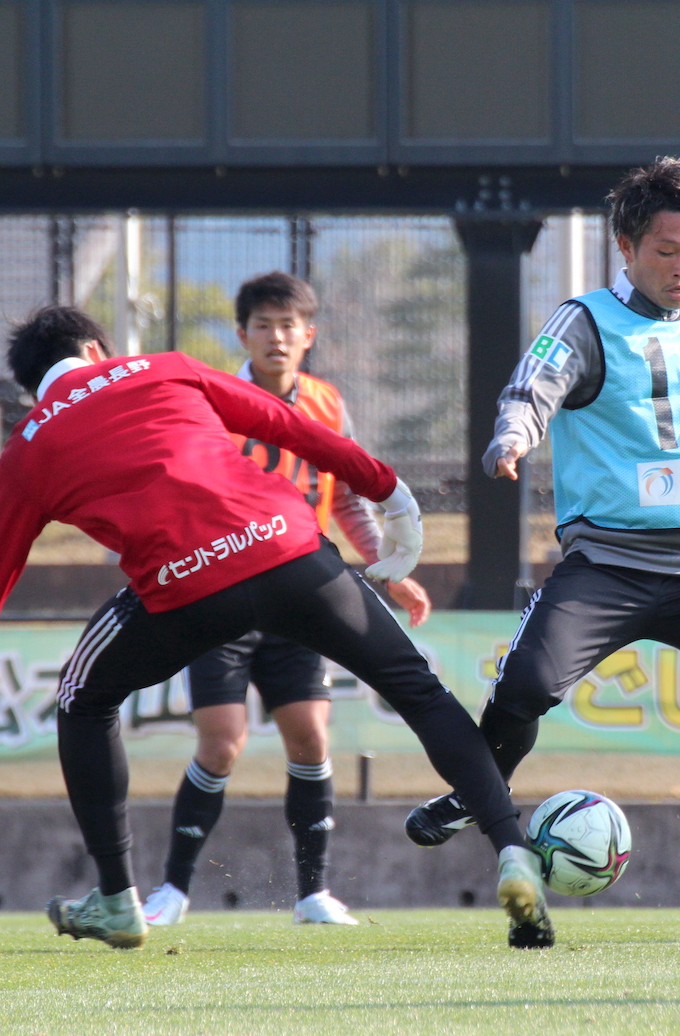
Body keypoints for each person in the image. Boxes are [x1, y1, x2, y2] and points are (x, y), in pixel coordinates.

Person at [0, 306, 553, 950]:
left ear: (30, 388)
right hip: (290, 553)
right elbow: (287, 425)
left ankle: (118, 896)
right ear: (97, 350)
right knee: (420, 691)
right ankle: (510, 846)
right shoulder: (162, 368)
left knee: (83, 696)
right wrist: (387, 488)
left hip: (188, 590)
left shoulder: (29, 448)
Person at [403, 158, 680, 947]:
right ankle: (476, 792)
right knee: (524, 683)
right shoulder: (585, 320)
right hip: (611, 566)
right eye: (667, 250)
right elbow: (534, 386)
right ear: (624, 246)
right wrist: (512, 436)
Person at [141, 272, 433, 929]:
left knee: (310, 735)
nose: (278, 336)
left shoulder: (326, 403)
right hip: (223, 593)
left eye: (289, 325)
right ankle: (172, 890)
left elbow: (351, 496)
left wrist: (388, 568)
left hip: (299, 593)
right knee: (221, 744)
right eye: (264, 325)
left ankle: (312, 893)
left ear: (309, 335)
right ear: (241, 333)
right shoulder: (211, 400)